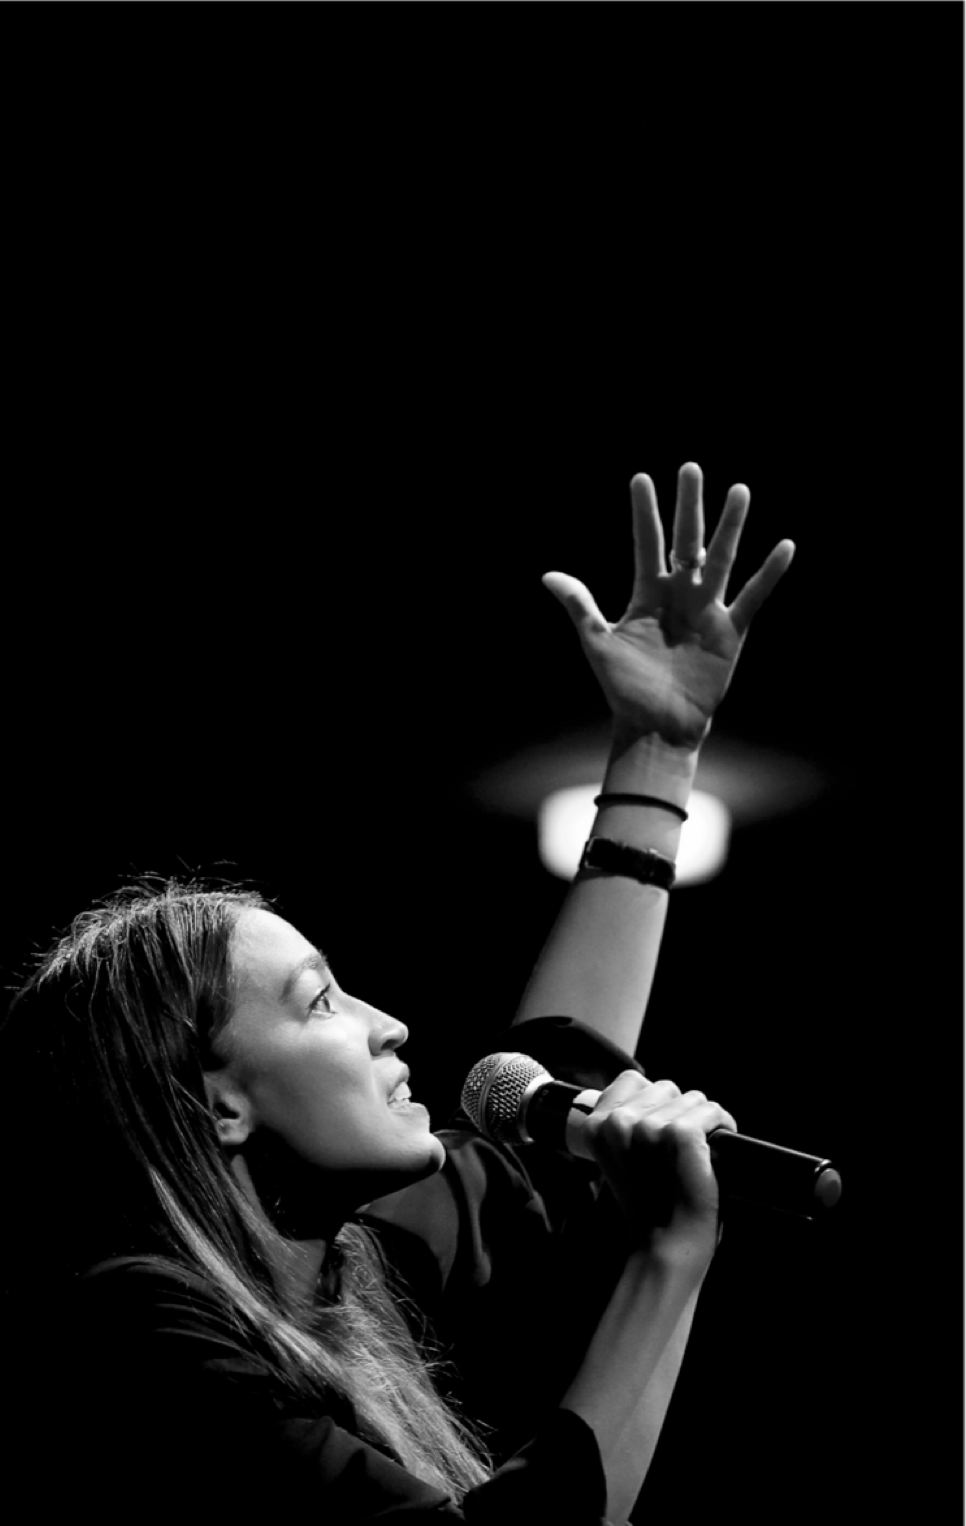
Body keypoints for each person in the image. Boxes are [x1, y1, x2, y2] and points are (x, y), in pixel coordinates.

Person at [0, 463, 794, 1522]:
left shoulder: (343, 1253)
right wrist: (668, 1257)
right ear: (216, 1101)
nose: (393, 1024)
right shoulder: (142, 1332)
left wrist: (655, 754)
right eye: (322, 1001)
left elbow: (552, 1103)